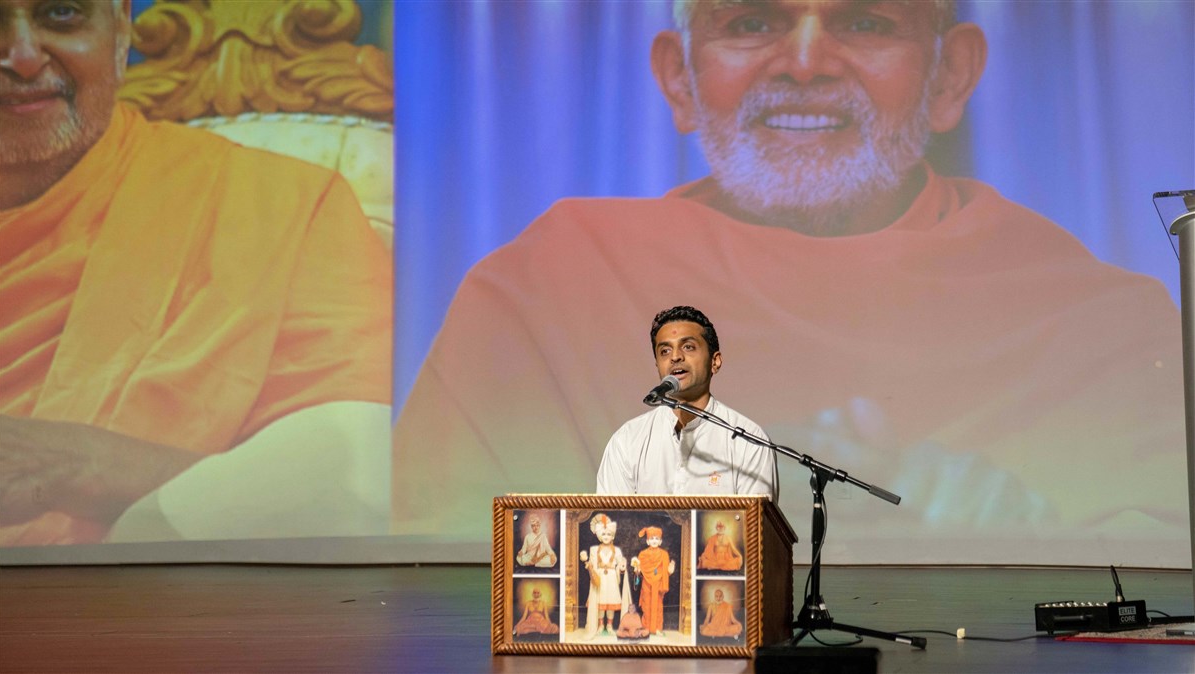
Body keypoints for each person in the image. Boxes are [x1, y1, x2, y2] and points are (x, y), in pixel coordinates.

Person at [392, 0, 1187, 566]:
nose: (805, 65)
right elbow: (459, 582)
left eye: (865, 23)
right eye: (753, 22)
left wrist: (1024, 542)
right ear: (679, 80)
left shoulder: (1097, 322)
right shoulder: (553, 283)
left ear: (949, 77)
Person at [0, 0, 392, 546]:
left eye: (61, 15)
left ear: (120, 29)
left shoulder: (271, 209)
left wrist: (84, 467)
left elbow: (356, 481)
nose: (21, 56)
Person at [598, 306, 778, 499]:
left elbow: (754, 518)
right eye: (665, 351)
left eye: (688, 347)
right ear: (657, 365)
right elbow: (611, 516)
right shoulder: (627, 440)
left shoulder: (749, 442)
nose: (675, 357)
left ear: (715, 361)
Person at [578, 513, 629, 637]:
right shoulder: (594, 549)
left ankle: (609, 625)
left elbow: (620, 565)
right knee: (600, 601)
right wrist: (586, 561)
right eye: (604, 534)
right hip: (599, 578)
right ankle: (601, 625)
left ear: (613, 536)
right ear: (600, 535)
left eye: (609, 534)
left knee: (610, 602)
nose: (606, 537)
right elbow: (592, 566)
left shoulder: (617, 551)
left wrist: (622, 568)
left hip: (611, 578)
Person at [630, 526, 676, 636]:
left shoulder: (664, 554)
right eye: (651, 538)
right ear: (647, 541)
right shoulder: (642, 554)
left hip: (658, 584)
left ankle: (658, 628)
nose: (654, 541)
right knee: (646, 606)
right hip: (646, 583)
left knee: (658, 607)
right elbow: (639, 571)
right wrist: (636, 569)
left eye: (656, 538)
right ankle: (646, 628)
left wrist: (670, 571)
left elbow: (665, 571)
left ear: (660, 541)